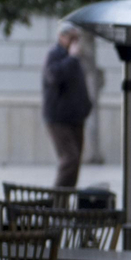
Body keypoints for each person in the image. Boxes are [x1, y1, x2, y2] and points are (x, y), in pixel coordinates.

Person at [42, 22, 91, 188]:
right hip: (59, 119)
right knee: (70, 159)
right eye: (72, 38)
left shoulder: (74, 58)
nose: (76, 42)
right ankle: (56, 202)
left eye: (78, 38)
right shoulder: (56, 54)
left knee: (75, 163)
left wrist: (86, 107)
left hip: (76, 118)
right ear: (62, 37)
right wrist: (70, 58)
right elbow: (53, 76)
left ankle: (64, 202)